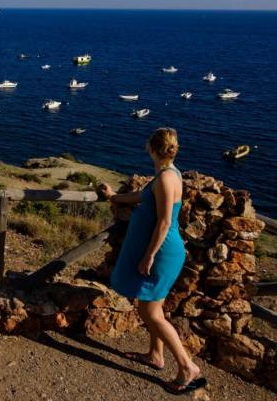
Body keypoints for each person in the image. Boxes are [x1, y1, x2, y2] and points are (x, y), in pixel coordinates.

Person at [98, 127, 207, 395]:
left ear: (153, 147)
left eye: (148, 141)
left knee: (151, 312)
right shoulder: (164, 174)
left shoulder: (167, 178)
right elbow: (139, 197)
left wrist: (149, 255)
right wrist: (113, 196)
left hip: (162, 254)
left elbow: (165, 221)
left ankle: (187, 367)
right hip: (160, 253)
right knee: (152, 307)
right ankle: (156, 355)